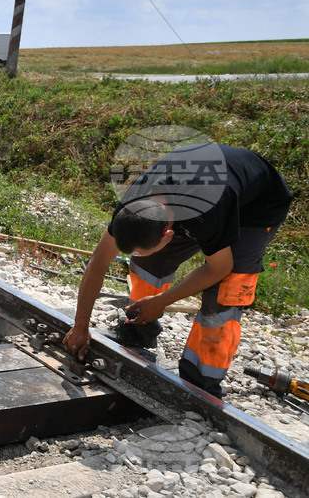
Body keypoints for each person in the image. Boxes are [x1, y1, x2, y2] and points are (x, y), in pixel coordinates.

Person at [62, 143, 292, 398]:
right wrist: (80, 325)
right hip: (207, 189)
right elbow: (98, 263)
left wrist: (163, 300)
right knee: (148, 261)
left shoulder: (208, 211)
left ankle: (202, 382)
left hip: (257, 206)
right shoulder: (132, 205)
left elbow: (219, 268)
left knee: (226, 290)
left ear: (169, 233)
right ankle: (140, 330)